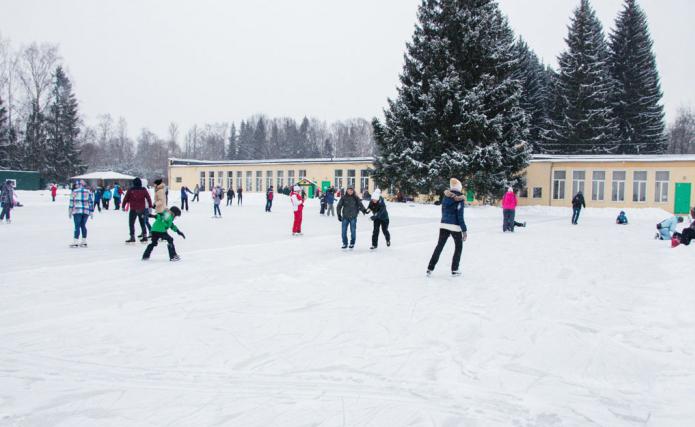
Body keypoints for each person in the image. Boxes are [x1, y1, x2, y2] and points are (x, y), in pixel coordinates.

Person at [427, 178, 467, 277]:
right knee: (458, 247)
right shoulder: (460, 199)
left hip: (444, 225)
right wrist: (464, 230)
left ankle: (430, 268)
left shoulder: (445, 197)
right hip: (455, 226)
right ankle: (455, 269)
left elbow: (443, 212)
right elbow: (460, 216)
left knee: (439, 246)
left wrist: (445, 221)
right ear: (459, 188)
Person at [122, 177, 153, 243]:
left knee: (131, 223)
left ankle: (132, 237)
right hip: (142, 209)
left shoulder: (131, 190)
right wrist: (150, 206)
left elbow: (126, 198)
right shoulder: (144, 190)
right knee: (142, 223)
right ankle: (144, 236)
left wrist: (123, 206)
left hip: (133, 209)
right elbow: (148, 198)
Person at [68, 180, 94, 247]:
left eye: (76, 185)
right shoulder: (88, 192)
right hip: (86, 211)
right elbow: (91, 202)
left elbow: (71, 202)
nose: (75, 186)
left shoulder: (74, 192)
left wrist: (70, 212)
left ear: (78, 185)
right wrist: (91, 212)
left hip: (77, 210)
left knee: (77, 226)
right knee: (83, 225)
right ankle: (84, 241)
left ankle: (75, 241)